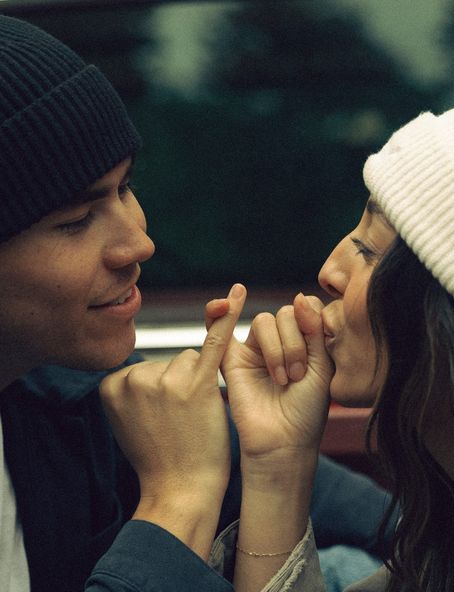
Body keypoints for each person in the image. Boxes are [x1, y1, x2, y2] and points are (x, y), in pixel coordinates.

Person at [0, 15, 394, 592]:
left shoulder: (80, 396)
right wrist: (178, 498)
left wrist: (277, 461)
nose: (140, 242)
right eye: (76, 221)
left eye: (126, 187)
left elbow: (397, 529)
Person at [209, 99, 454, 591]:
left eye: (369, 250)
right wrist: (277, 463)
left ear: (452, 318)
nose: (330, 272)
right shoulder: (445, 542)